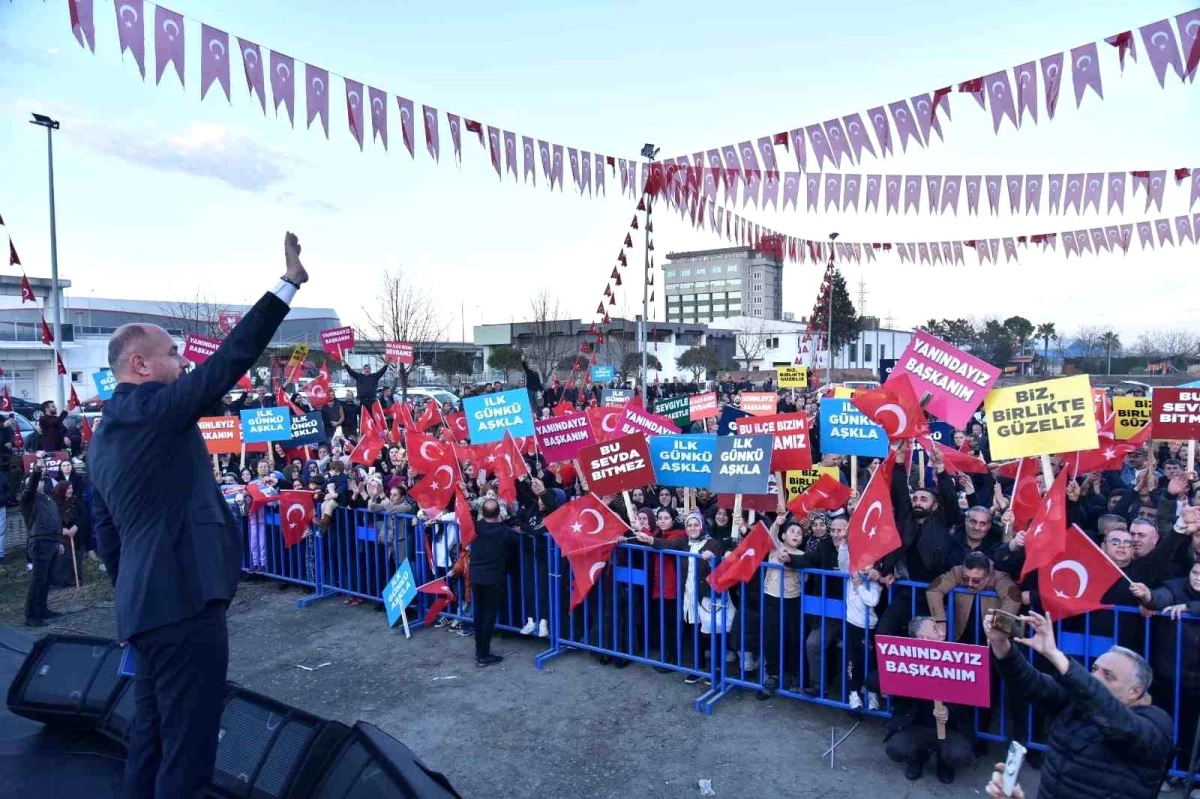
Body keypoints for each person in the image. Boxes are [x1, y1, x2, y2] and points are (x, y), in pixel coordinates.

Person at [89, 232, 309, 798]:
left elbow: (106, 535)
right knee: (187, 751)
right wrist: (286, 286)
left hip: (145, 612)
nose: (182, 361)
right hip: (185, 606)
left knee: (153, 739)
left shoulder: (101, 438)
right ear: (139, 363)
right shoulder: (155, 411)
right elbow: (228, 361)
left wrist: (131, 602)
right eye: (172, 354)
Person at [984, 608, 1174, 799]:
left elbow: (1120, 723)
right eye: (1094, 669)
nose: (1095, 677)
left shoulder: (1155, 722)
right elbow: (1030, 681)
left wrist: (1054, 654)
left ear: (1136, 691)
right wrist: (1000, 644)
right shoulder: (1074, 700)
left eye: (1108, 676)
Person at [882, 616, 976, 784]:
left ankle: (944, 762)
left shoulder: (955, 657)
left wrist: (949, 711)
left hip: (949, 730)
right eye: (935, 629)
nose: (942, 632)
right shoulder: (905, 661)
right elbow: (873, 681)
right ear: (922, 638)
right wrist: (892, 677)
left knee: (961, 754)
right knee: (896, 748)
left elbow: (968, 697)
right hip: (916, 726)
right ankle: (918, 757)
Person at [470, 497, 517, 666]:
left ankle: (479, 649)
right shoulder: (505, 532)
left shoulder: (475, 528)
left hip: (476, 577)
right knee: (488, 616)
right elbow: (515, 543)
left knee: (479, 614)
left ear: (482, 513)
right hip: (493, 579)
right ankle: (483, 654)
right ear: (499, 514)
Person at [19, 467, 63, 627]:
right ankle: (30, 615)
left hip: (52, 541)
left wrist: (59, 541)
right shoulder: (27, 498)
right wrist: (37, 470)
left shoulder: (49, 499)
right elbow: (31, 486)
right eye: (36, 481)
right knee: (38, 579)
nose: (39, 483)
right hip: (39, 542)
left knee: (48, 578)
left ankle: (42, 609)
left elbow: (57, 520)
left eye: (41, 480)